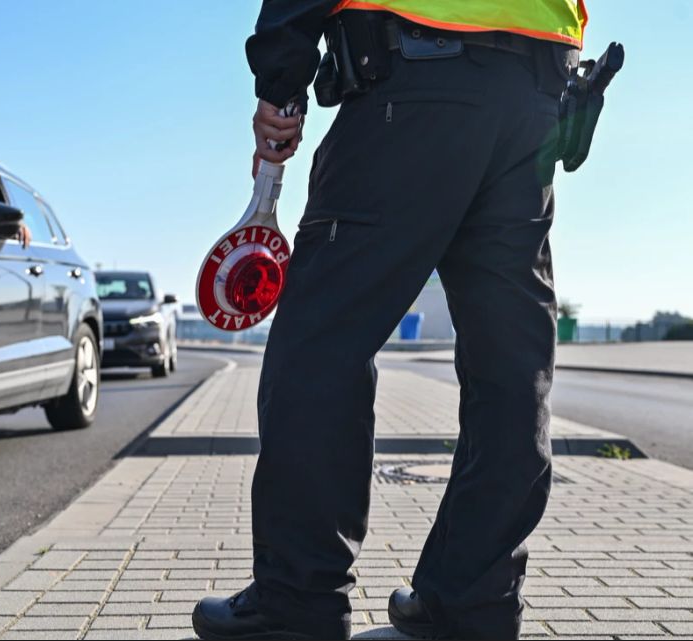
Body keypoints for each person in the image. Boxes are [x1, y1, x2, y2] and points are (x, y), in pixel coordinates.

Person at [192, 1, 587, 639]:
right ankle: (473, 602)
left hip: (413, 83)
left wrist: (281, 84)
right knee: (511, 365)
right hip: (535, 100)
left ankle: (299, 600)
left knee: (322, 343)